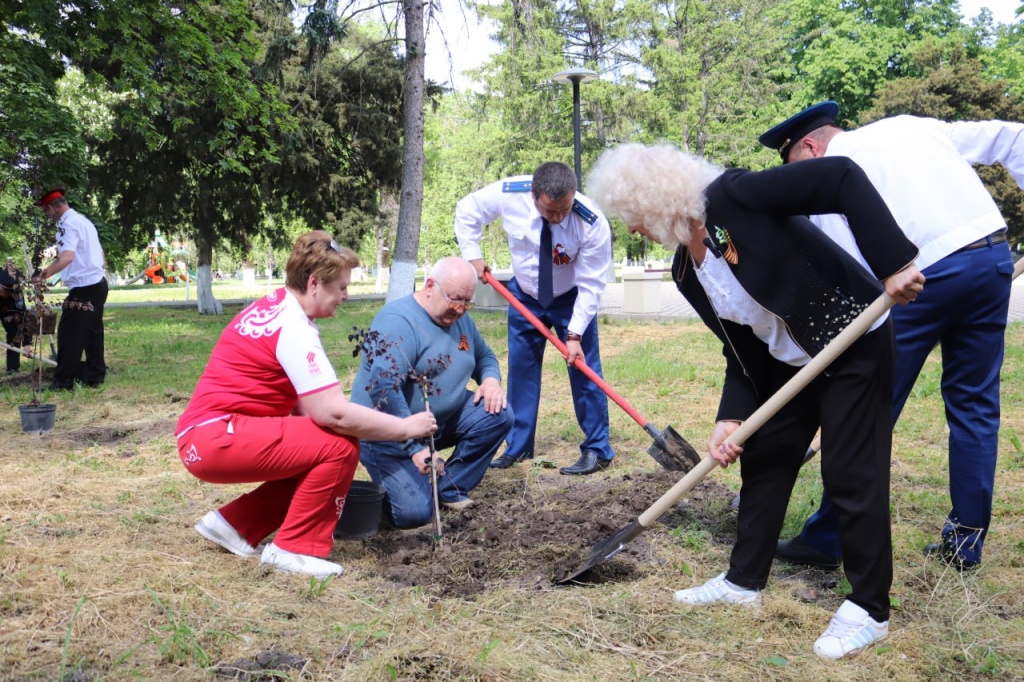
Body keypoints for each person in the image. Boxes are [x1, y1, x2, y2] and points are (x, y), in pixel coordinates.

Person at [586, 142, 924, 660]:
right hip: (791, 362)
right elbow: (740, 347)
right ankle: (744, 581)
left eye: (632, 215)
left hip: (852, 342)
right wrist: (731, 416)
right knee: (765, 459)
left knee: (851, 472)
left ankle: (869, 609)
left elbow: (840, 179)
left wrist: (894, 261)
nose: (632, 227)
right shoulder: (686, 270)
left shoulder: (734, 196)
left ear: (657, 200)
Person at [759, 102, 1023, 571]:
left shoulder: (831, 175)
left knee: (866, 410)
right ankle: (964, 546)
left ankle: (826, 541)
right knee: (975, 408)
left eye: (794, 169)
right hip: (990, 258)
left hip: (921, 279)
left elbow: (844, 270)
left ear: (810, 146)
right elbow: (1009, 137)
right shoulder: (912, 125)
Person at [174, 231, 437, 578]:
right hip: (216, 437)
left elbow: (304, 404)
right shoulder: (294, 328)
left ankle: (234, 525)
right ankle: (294, 549)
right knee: (340, 445)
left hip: (205, 436)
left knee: (315, 447)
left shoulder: (276, 305)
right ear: (314, 283)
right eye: (341, 287)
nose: (345, 295)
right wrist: (405, 428)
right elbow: (334, 413)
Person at [454, 161, 615, 475]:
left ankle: (598, 449)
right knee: (521, 372)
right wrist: (472, 254)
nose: (558, 218)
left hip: (571, 299)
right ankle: (517, 446)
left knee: (583, 369)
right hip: (524, 295)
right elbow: (467, 209)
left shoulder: (591, 221)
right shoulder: (509, 193)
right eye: (550, 211)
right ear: (534, 195)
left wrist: (574, 335)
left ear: (573, 195)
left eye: (564, 209)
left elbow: (592, 284)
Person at [351, 257, 514, 528]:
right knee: (413, 516)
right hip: (386, 433)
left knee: (498, 414)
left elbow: (484, 355)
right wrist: (414, 448)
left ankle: (449, 486)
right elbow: (384, 389)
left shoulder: (460, 320)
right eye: (455, 300)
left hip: (437, 423)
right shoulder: (398, 321)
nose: (461, 309)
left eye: (467, 302)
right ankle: (367, 497)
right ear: (430, 285)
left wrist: (491, 381)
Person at [37, 188, 108, 390]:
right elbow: (98, 253)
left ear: (52, 208)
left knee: (69, 333)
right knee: (93, 332)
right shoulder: (83, 221)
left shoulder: (67, 224)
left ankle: (63, 381)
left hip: (85, 287)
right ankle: (95, 376)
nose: (47, 215)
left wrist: (44, 275)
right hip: (97, 283)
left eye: (46, 211)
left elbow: (67, 257)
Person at [1, 265, 32, 375]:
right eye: (7, 292)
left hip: (7, 309)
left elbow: (22, 317)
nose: (10, 294)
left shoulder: (15, 295)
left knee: (14, 330)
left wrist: (27, 343)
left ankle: (12, 368)